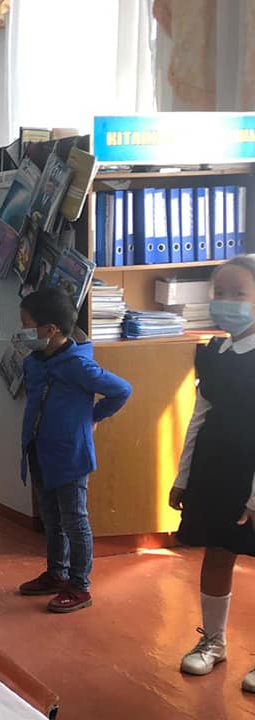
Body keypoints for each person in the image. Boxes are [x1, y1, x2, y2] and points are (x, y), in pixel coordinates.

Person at [169, 255, 255, 691]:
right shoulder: (213, 352)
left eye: (239, 293)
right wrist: (183, 476)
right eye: (221, 292)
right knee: (217, 554)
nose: (228, 301)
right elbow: (197, 418)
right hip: (216, 469)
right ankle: (213, 641)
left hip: (251, 475)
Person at [16, 287, 131, 613]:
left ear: (51, 329)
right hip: (38, 452)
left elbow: (122, 390)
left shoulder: (78, 365)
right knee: (51, 519)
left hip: (70, 456)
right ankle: (57, 573)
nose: (22, 331)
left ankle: (79, 585)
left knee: (74, 521)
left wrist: (94, 417)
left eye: (27, 324)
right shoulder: (34, 362)